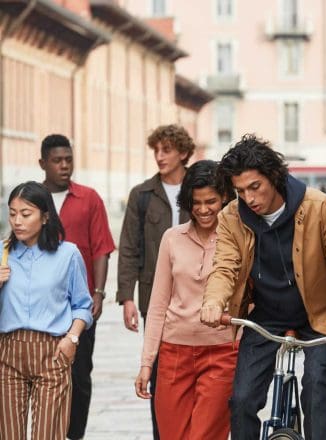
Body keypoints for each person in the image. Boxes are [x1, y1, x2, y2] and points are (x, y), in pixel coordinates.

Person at [200, 134, 326, 440]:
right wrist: (213, 301)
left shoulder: (319, 207)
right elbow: (224, 267)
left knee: (316, 385)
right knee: (242, 399)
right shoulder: (231, 218)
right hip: (265, 316)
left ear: (273, 177)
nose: (249, 198)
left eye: (255, 187)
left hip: (318, 317)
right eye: (240, 191)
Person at [134, 160, 238, 439]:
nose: (203, 210)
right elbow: (157, 306)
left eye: (211, 201)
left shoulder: (239, 238)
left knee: (205, 435)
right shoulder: (172, 238)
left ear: (225, 197)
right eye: (196, 202)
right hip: (173, 355)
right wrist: (147, 364)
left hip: (221, 354)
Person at [117, 124, 196, 438]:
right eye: (156, 150)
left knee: (194, 371)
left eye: (167, 150)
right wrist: (127, 298)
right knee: (160, 371)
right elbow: (129, 247)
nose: (160, 157)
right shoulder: (142, 195)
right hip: (156, 299)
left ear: (183, 153)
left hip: (196, 295)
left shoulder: (202, 186)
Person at [0, 181, 93, 440]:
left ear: (45, 217)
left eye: (26, 214)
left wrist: (72, 339)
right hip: (8, 353)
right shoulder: (1, 253)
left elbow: (83, 306)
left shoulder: (68, 255)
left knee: (48, 435)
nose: (17, 221)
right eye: (12, 213)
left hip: (53, 351)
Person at [39, 134, 115, 440]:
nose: (64, 166)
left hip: (79, 307)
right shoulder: (31, 199)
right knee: (45, 374)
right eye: (57, 160)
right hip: (43, 304)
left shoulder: (89, 198)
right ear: (42, 163)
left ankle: (75, 435)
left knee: (80, 375)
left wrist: (98, 293)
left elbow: (101, 248)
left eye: (68, 159)